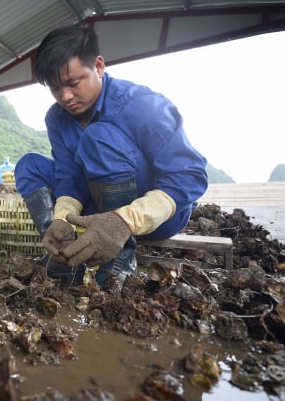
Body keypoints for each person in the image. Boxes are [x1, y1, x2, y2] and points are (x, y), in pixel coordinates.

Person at [15, 25, 208, 285]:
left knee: (97, 137)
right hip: (97, 204)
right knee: (29, 165)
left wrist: (125, 221)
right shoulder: (57, 118)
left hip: (155, 215)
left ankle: (119, 259)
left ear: (98, 66)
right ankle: (62, 252)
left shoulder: (141, 105)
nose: (65, 97)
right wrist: (61, 219)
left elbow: (191, 176)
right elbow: (68, 176)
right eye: (55, 88)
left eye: (73, 83)